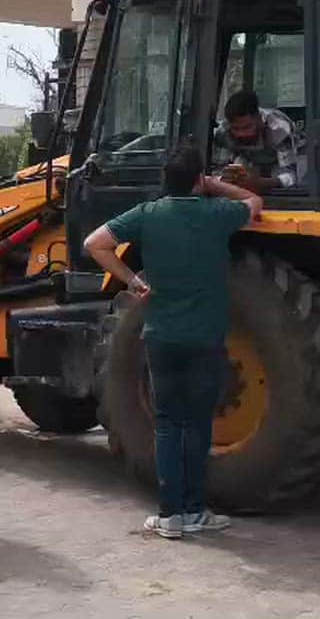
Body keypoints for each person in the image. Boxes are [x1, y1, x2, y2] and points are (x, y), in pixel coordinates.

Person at [83, 146, 262, 539]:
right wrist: (217, 186)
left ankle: (169, 516)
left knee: (167, 424)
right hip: (205, 337)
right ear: (199, 180)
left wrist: (132, 281)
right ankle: (196, 510)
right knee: (198, 425)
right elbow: (254, 201)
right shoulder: (217, 214)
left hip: (161, 337)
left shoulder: (148, 215)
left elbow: (94, 243)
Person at [213, 90, 306, 192]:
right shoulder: (223, 133)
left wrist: (261, 183)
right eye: (235, 129)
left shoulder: (279, 129)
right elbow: (217, 171)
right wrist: (226, 178)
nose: (241, 134)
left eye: (246, 127)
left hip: (288, 161)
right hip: (249, 161)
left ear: (258, 118)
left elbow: (291, 176)